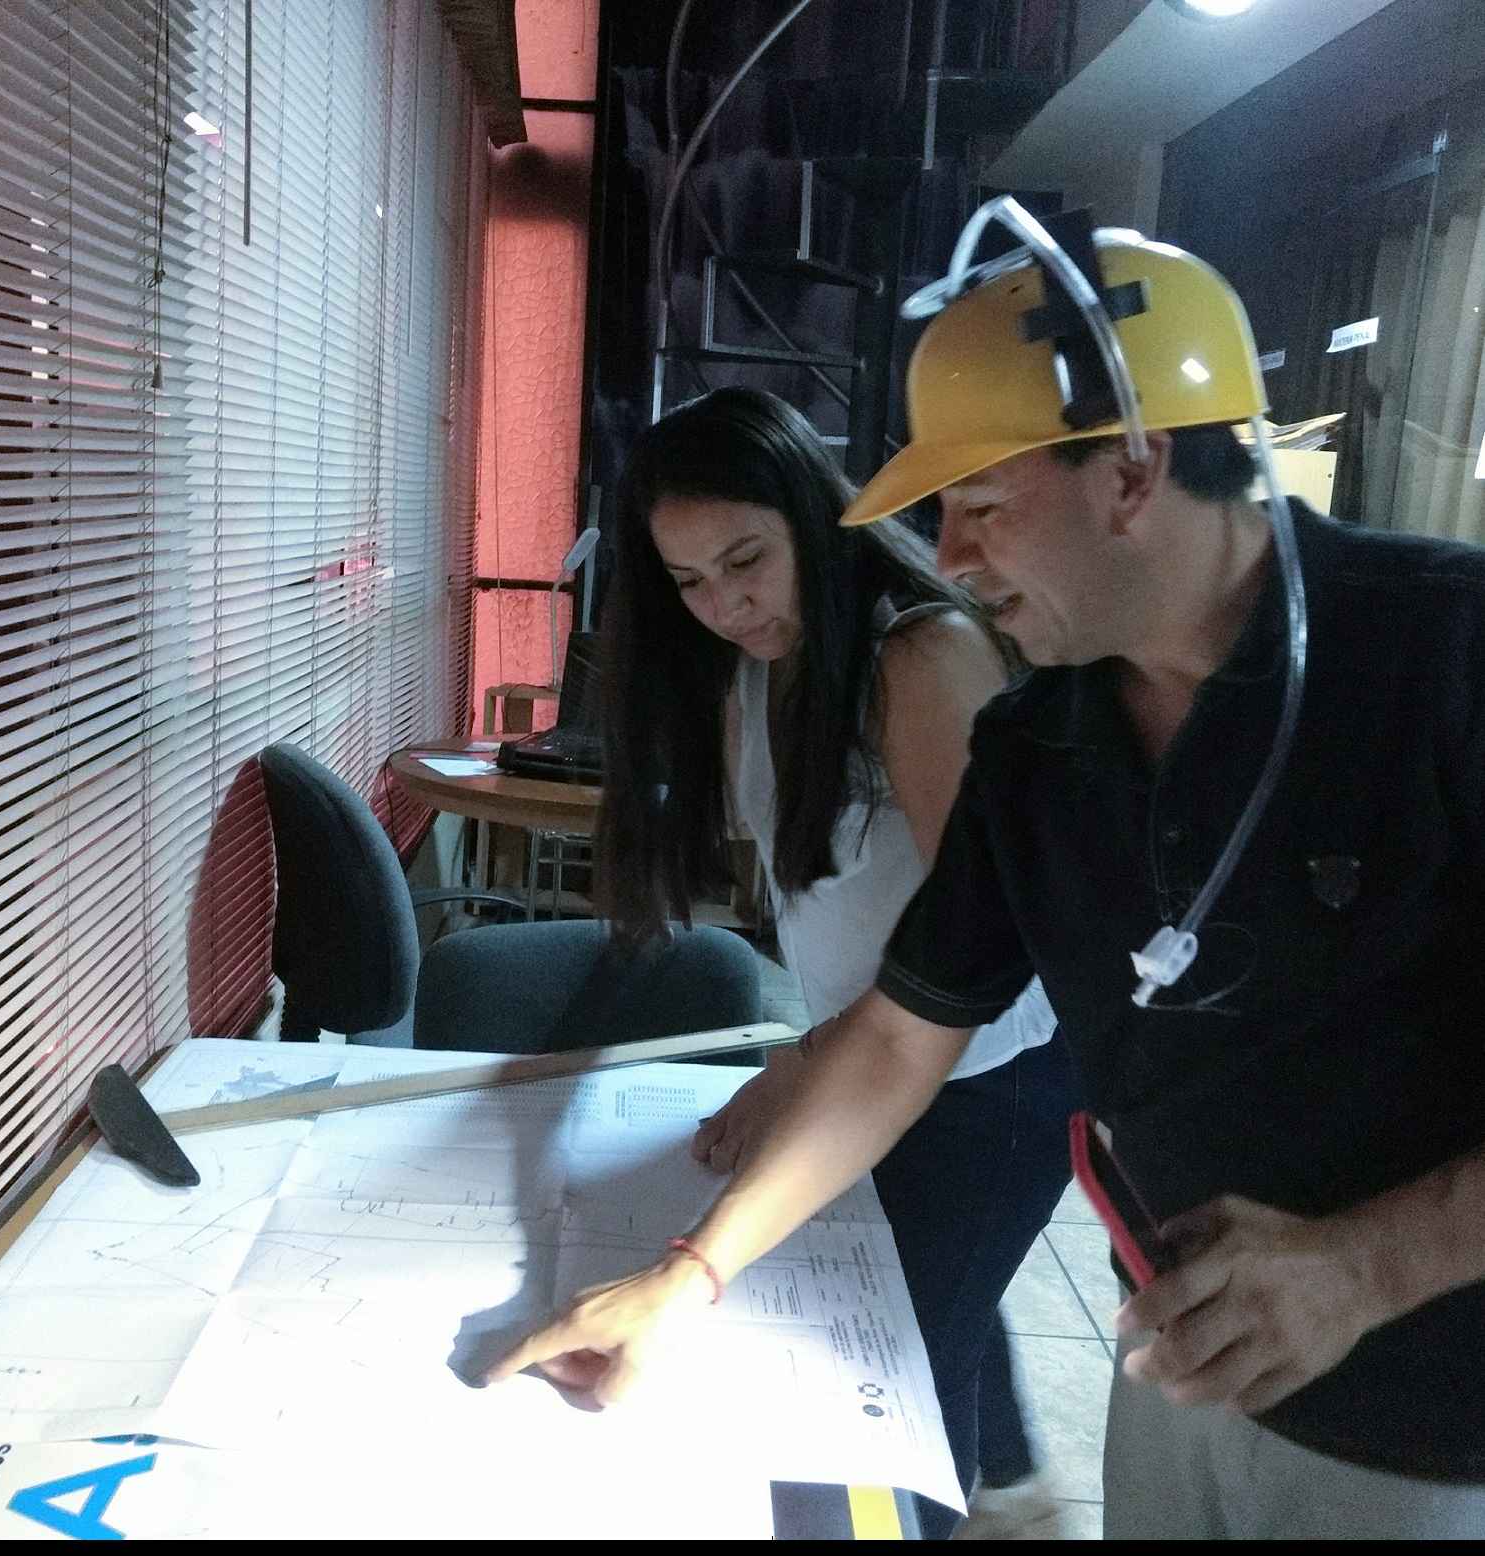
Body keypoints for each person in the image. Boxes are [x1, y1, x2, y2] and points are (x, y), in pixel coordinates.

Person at [488, 228, 1485, 1539]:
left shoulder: (1441, 653)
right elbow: (901, 1035)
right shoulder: (1041, 743)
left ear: (1130, 469)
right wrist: (690, 1276)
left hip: (1433, 1417)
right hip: (1185, 1354)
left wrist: (1362, 1266)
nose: (947, 554)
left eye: (982, 504)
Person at [591, 386, 1075, 1536]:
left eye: (745, 560)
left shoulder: (918, 654)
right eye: (688, 580)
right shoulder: (760, 664)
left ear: (813, 515)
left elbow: (984, 945)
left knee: (902, 1373)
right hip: (874, 1067)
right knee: (929, 1300)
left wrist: (804, 1065)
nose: (725, 604)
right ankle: (1018, 1491)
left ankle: (971, 1501)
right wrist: (809, 1060)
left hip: (987, 1082)